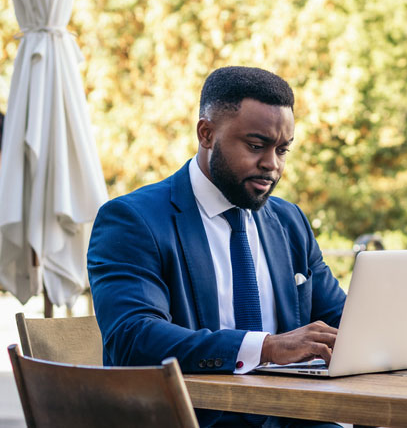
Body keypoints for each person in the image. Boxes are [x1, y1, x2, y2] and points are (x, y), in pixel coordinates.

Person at [87, 67, 347, 428]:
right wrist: (267, 347)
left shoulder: (289, 222)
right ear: (206, 133)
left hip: (295, 417)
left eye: (282, 150)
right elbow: (133, 337)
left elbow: (342, 321)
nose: (272, 164)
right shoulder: (133, 220)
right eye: (256, 146)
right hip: (192, 419)